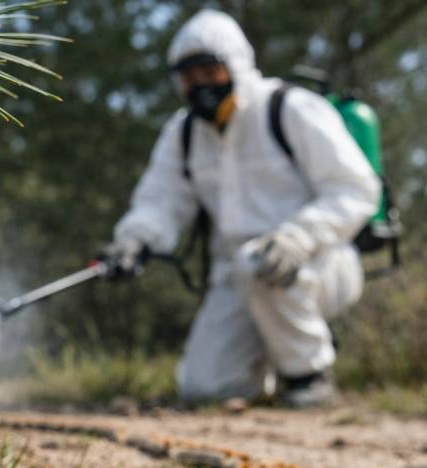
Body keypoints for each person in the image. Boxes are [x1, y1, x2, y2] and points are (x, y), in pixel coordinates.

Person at [105, 9, 381, 408]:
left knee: (258, 264)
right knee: (204, 388)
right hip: (238, 276)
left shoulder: (290, 108)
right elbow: (160, 201)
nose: (200, 85)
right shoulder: (183, 132)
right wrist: (133, 240)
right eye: (188, 76)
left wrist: (298, 236)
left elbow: (354, 189)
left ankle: (309, 376)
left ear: (235, 65)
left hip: (318, 260)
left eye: (209, 71)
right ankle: (266, 372)